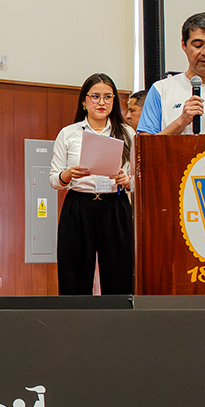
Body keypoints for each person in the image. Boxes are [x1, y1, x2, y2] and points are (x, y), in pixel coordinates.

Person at [50, 73, 134, 295]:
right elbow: (53, 179)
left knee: (119, 273)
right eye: (95, 96)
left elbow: (139, 178)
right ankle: (75, 316)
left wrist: (127, 181)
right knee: (74, 274)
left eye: (108, 97)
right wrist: (68, 174)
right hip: (79, 205)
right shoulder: (69, 133)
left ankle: (118, 316)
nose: (101, 102)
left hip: (115, 205)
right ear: (84, 101)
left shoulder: (127, 133)